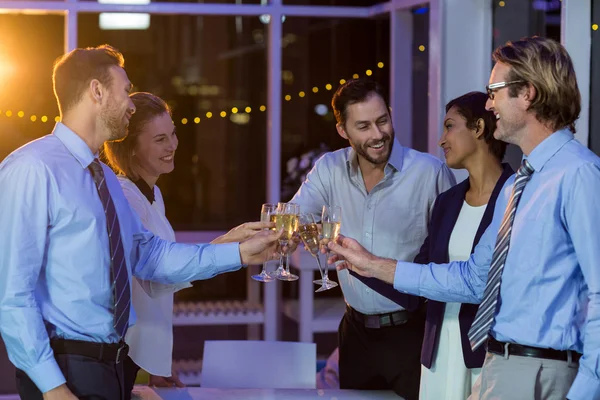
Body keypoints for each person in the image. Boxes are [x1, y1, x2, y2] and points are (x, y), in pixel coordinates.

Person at [0, 44, 280, 400]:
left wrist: (240, 253)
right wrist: (54, 389)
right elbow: (12, 296)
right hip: (66, 371)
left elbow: (151, 258)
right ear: (97, 91)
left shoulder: (104, 179)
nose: (132, 103)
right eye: (126, 89)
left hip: (113, 366)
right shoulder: (33, 168)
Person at [327, 36, 600, 400]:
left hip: (544, 371)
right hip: (499, 366)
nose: (489, 104)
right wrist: (372, 265)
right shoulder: (520, 184)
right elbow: (472, 280)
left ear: (528, 94)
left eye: (495, 91)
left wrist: (587, 389)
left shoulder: (578, 174)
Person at [290, 78, 456, 399]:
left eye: (382, 121)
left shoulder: (429, 173)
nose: (378, 135)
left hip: (413, 331)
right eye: (363, 126)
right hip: (355, 333)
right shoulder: (329, 169)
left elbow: (451, 256)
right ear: (343, 130)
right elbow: (295, 217)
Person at [103, 92, 271, 398]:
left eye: (173, 134)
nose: (173, 146)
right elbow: (155, 278)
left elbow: (163, 272)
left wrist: (224, 241)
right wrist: (237, 252)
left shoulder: (152, 195)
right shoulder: (126, 198)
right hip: (123, 354)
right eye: (160, 139)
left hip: (138, 356)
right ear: (130, 148)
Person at [349, 91, 512, 400]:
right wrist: (360, 265)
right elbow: (420, 284)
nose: (441, 140)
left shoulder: (516, 198)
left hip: (488, 357)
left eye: (450, 126)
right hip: (438, 355)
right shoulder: (447, 202)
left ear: (479, 128)